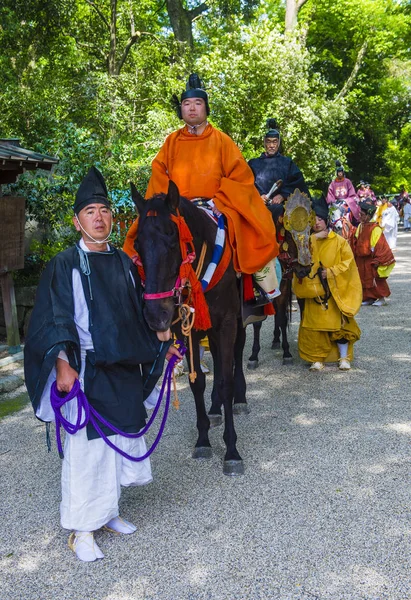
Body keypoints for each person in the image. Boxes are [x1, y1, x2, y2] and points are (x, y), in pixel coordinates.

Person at [24, 167, 182, 562]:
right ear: (77, 220)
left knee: (116, 446)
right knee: (88, 451)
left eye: (105, 210)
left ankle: (108, 512)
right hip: (87, 369)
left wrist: (162, 342)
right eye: (90, 211)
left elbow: (136, 314)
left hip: (123, 367)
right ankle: (81, 529)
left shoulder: (125, 263)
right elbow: (53, 318)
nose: (99, 217)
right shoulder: (65, 263)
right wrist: (62, 363)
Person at [124, 73, 279, 299]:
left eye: (198, 103)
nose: (192, 108)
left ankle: (256, 286)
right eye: (187, 104)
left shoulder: (222, 140)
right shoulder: (171, 142)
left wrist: (221, 200)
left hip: (214, 206)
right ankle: (144, 289)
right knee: (147, 238)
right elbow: (158, 171)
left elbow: (241, 176)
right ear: (181, 110)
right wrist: (167, 204)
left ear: (206, 108)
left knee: (248, 229)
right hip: (176, 209)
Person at [293, 195, 362, 371]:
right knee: (314, 328)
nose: (316, 223)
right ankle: (317, 359)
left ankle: (343, 357)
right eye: (313, 220)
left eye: (320, 219)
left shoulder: (339, 242)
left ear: (327, 221)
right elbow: (301, 261)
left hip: (333, 291)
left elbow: (348, 264)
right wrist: (314, 239)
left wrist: (330, 272)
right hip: (313, 291)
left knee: (339, 326)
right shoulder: (308, 242)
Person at [247, 118, 310, 205]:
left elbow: (298, 184)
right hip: (258, 207)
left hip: (282, 210)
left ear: (279, 143)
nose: (271, 145)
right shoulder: (253, 164)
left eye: (275, 142)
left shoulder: (287, 164)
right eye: (268, 142)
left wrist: (283, 195)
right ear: (264, 143)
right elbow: (246, 184)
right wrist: (258, 196)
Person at [353, 199, 396, 306]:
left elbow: (380, 245)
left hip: (371, 258)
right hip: (361, 258)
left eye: (362, 215)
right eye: (360, 214)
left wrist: (377, 259)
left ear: (368, 215)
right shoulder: (360, 226)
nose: (360, 216)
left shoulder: (375, 228)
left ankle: (381, 298)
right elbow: (356, 239)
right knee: (363, 278)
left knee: (375, 278)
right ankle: (369, 298)